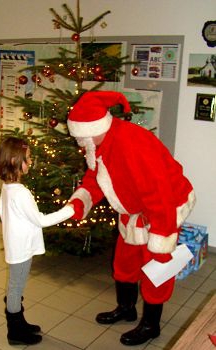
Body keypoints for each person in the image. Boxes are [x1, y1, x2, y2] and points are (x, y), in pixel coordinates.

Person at [67, 91, 196, 346]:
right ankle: (126, 308)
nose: (80, 144)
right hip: (134, 209)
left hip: (163, 208)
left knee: (156, 269)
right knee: (125, 262)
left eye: (82, 137)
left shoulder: (132, 144)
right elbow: (96, 176)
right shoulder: (99, 142)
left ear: (96, 127)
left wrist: (162, 243)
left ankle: (151, 324)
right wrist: (82, 200)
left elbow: (159, 194)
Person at [0, 136, 75, 346]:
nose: (30, 162)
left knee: (16, 287)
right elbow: (41, 220)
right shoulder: (20, 193)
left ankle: (20, 323)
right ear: (14, 160)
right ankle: (15, 331)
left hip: (17, 245)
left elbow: (5, 214)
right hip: (21, 249)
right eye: (27, 158)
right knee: (16, 289)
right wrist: (70, 210)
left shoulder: (7, 187)